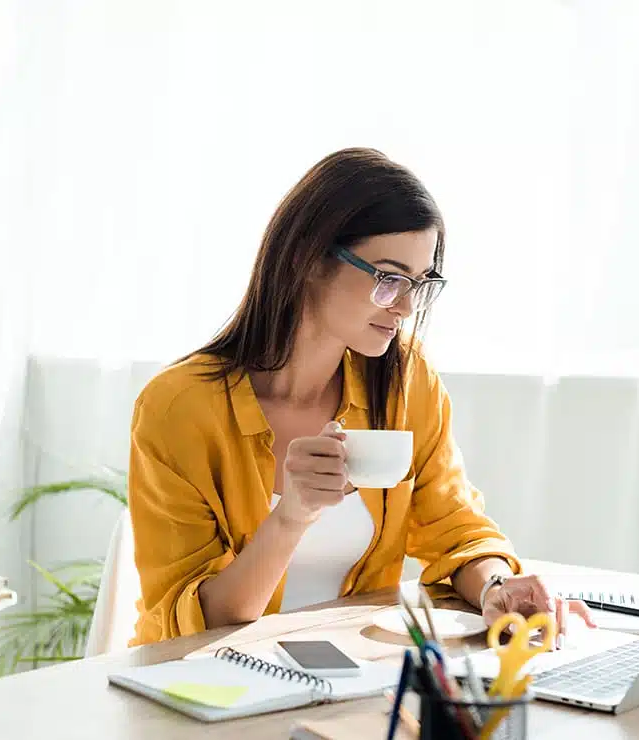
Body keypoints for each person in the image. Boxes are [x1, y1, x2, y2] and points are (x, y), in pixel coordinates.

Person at [127, 147, 595, 647]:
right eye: (389, 278)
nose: (408, 307)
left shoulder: (405, 380)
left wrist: (496, 586)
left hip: (353, 678)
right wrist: (291, 517)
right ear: (307, 259)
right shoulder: (179, 408)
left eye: (420, 283)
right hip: (208, 687)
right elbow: (197, 625)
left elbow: (455, 528)